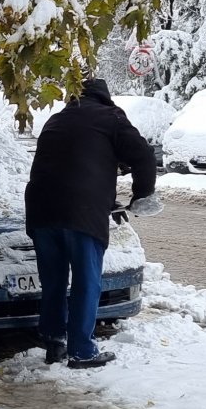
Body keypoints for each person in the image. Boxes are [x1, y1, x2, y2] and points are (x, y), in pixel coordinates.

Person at [23, 78, 162, 368]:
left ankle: (53, 340)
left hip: (41, 210)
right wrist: (141, 196)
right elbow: (144, 157)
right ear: (106, 98)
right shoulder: (110, 117)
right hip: (80, 213)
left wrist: (108, 203)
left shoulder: (56, 120)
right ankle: (82, 351)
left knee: (54, 280)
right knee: (87, 281)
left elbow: (75, 164)